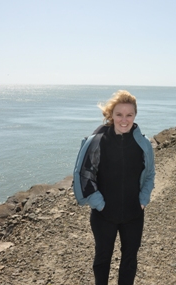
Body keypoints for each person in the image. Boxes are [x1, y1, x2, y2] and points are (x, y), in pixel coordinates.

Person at [74, 90, 155, 285]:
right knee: (102, 260)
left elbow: (150, 174)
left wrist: (143, 200)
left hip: (134, 214)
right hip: (103, 215)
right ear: (111, 115)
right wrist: (99, 204)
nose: (124, 120)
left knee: (129, 261)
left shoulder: (143, 144)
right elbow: (85, 173)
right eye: (119, 114)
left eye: (129, 115)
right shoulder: (98, 141)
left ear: (135, 116)